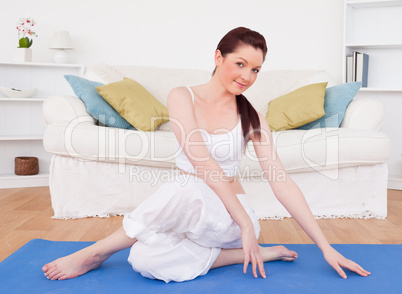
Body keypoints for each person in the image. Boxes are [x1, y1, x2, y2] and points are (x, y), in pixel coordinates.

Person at [42, 27, 371, 282]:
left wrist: (326, 248)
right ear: (218, 58)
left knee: (190, 186)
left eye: (255, 70)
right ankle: (252, 254)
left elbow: (280, 181)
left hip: (228, 220)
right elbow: (200, 158)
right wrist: (247, 230)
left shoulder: (251, 117)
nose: (246, 76)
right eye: (239, 64)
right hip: (188, 213)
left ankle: (96, 253)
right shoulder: (182, 96)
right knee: (142, 259)